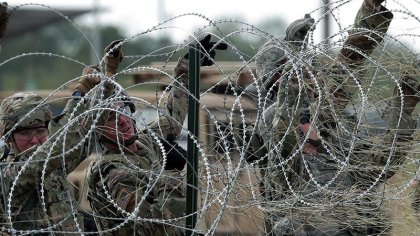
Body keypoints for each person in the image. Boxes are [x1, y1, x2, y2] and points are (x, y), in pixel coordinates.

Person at [265, 0, 419, 235]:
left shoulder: (330, 120)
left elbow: (374, 169)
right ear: (278, 79)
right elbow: (285, 127)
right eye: (294, 70)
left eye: (307, 69)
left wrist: (403, 105)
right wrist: (295, 51)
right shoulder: (275, 119)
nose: (308, 74)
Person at [86, 36, 227, 235]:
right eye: (112, 119)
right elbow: (152, 228)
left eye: (125, 112)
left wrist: (187, 68)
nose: (123, 121)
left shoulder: (145, 143)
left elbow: (172, 116)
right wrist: (169, 177)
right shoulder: (114, 174)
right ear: (98, 130)